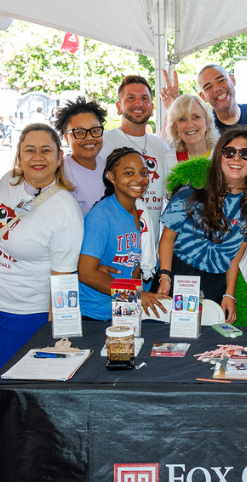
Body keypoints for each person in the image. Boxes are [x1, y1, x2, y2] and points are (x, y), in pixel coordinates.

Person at [0, 124, 84, 401]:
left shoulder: (65, 210)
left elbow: (64, 281)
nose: (37, 157)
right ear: (19, 155)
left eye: (46, 150)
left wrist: (59, 338)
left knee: (18, 398)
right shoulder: (9, 181)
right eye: (29, 150)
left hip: (26, 317)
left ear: (59, 157)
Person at [158, 127, 247, 323]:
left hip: (215, 284)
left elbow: (235, 258)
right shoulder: (190, 193)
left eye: (245, 154)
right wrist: (164, 277)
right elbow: (168, 237)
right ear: (219, 156)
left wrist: (229, 294)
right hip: (176, 276)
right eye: (229, 152)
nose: (236, 158)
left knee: (207, 347)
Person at [77, 147, 168, 321]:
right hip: (93, 314)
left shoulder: (139, 211)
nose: (139, 180)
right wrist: (136, 295)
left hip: (121, 308)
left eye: (143, 173)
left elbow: (134, 264)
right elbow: (87, 274)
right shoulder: (101, 215)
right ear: (112, 177)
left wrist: (131, 303)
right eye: (129, 173)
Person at [96, 75, 171, 277]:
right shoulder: (103, 143)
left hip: (150, 258)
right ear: (118, 106)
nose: (138, 103)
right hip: (114, 259)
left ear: (152, 106)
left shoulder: (161, 146)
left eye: (144, 98)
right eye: (131, 98)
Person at [163, 65, 247, 153]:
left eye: (221, 80)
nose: (217, 89)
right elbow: (167, 147)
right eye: (208, 87)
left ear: (232, 80)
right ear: (203, 96)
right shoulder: (203, 125)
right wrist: (173, 109)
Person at [55, 96, 109, 216]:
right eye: (79, 132)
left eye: (95, 130)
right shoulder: (62, 173)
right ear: (66, 137)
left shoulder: (105, 167)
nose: (89, 138)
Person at [166, 94, 219, 162]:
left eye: (196, 117)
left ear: (207, 122)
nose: (189, 125)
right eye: (182, 119)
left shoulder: (223, 153)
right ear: (176, 127)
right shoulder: (169, 159)